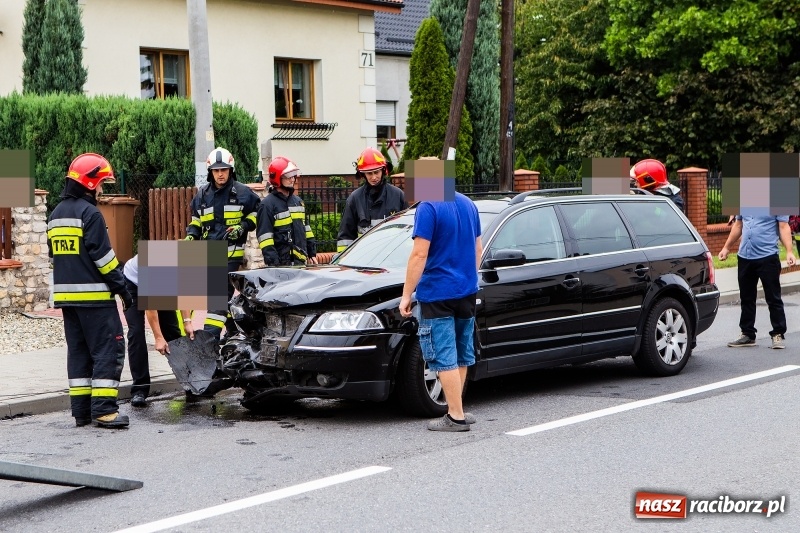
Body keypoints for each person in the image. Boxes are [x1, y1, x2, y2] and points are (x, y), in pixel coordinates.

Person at [47, 153, 134, 429]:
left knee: (79, 354)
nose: (101, 190)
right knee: (109, 349)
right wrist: (123, 289)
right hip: (96, 300)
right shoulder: (91, 214)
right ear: (89, 182)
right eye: (101, 184)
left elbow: (55, 255)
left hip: (67, 302)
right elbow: (104, 259)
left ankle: (82, 412)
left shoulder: (55, 215)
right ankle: (105, 411)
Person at [399, 187, 482, 432]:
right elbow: (477, 249)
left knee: (444, 353)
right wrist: (468, 277)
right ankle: (457, 408)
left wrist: (406, 295)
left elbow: (419, 254)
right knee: (461, 351)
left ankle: (455, 416)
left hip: (438, 292)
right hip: (467, 290)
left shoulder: (428, 207)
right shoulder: (468, 204)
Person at [185, 147, 259, 341]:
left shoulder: (243, 192)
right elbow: (196, 220)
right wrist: (192, 235)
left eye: (224, 170)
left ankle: (208, 340)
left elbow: (257, 213)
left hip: (231, 255)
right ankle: (235, 333)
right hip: (209, 254)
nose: (220, 174)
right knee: (219, 298)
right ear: (210, 172)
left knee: (217, 298)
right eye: (216, 170)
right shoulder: (202, 195)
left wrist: (243, 226)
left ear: (230, 170)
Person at [122, 254, 195, 407]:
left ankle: (191, 383)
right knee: (137, 334)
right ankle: (139, 390)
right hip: (132, 284)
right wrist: (158, 337)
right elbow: (151, 308)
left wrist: (187, 322)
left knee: (173, 333)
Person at [719, 215, 796, 349]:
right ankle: (747, 334)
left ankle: (777, 333)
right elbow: (738, 225)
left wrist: (789, 251)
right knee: (746, 298)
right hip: (745, 256)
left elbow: (783, 227)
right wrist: (726, 248)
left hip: (768, 256)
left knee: (773, 298)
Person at [336, 147, 408, 252]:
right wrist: (343, 260)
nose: (374, 177)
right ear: (363, 174)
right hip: (365, 259)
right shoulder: (355, 199)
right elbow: (346, 236)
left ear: (383, 170)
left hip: (393, 258)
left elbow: (407, 232)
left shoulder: (398, 195)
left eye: (376, 172)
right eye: (369, 173)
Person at [257, 156, 317, 266]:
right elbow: (265, 239)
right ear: (277, 178)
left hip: (300, 263)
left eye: (293, 175)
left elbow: (307, 230)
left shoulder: (298, 202)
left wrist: (312, 252)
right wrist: (275, 264)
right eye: (288, 176)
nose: (292, 179)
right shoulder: (267, 205)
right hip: (281, 265)